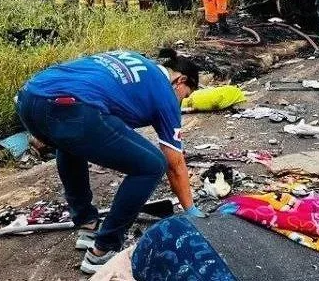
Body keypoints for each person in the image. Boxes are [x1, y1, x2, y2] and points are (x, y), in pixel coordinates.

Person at [14, 50, 202, 274]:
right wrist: (190, 210)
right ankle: (103, 250)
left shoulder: (135, 60)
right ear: (180, 80)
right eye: (185, 94)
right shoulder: (165, 93)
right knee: (152, 166)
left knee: (70, 143)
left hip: (29, 97)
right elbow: (175, 163)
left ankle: (87, 225)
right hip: (72, 107)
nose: (181, 101)